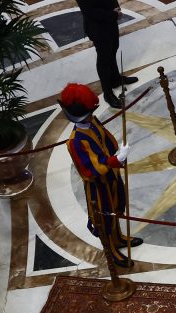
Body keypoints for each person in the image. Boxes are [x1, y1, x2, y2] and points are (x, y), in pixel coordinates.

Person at [60, 83, 141, 269]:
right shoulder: (75, 142)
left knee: (117, 206)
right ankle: (110, 250)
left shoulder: (93, 122)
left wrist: (118, 153)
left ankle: (119, 238)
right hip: (98, 186)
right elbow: (89, 170)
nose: (91, 115)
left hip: (112, 177)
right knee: (104, 218)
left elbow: (107, 140)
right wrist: (115, 160)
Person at [77, 0, 137, 109]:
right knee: (103, 59)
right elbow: (90, 11)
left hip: (110, 22)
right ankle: (107, 93)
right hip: (98, 27)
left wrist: (116, 8)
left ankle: (116, 79)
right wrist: (113, 14)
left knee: (113, 50)